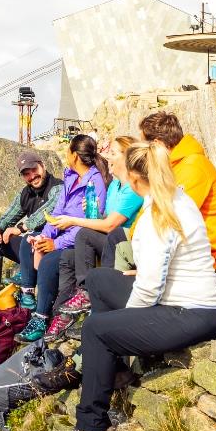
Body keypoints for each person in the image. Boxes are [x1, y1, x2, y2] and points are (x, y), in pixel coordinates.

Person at [57, 141, 216, 431]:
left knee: (97, 330)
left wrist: (122, 326)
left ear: (136, 181)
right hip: (179, 300)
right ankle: (116, 370)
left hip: (191, 311)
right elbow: (163, 266)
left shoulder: (157, 215)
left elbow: (149, 290)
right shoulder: (177, 198)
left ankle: (93, 424)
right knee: (99, 279)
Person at [23, 136, 145, 342]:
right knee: (61, 255)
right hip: (96, 237)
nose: (108, 157)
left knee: (76, 242)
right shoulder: (113, 186)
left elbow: (109, 225)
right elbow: (89, 217)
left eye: (113, 153)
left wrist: (67, 229)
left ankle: (84, 295)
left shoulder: (129, 188)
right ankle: (59, 314)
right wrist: (45, 236)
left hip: (121, 243)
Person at [136, 112, 216, 290]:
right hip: (199, 256)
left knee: (128, 253)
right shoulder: (178, 165)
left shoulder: (192, 167)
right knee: (119, 242)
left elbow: (170, 219)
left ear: (157, 144)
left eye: (144, 145)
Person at [18, 135, 109, 341]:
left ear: (75, 155)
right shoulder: (70, 176)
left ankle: (41, 318)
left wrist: (55, 243)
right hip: (61, 235)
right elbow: (56, 212)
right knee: (28, 241)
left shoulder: (94, 183)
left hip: (80, 241)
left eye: (68, 151)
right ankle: (28, 300)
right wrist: (44, 236)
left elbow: (89, 226)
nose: (65, 154)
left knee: (50, 260)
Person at [0, 152, 58, 309]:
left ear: (42, 165)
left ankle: (28, 287)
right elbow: (8, 215)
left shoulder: (57, 187)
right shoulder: (25, 193)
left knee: (29, 238)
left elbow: (49, 209)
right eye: (26, 174)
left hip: (50, 247)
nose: (32, 176)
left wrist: (21, 227)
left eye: (34, 170)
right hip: (29, 247)